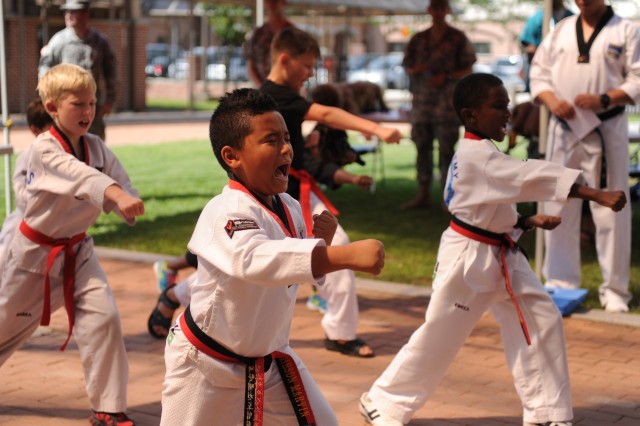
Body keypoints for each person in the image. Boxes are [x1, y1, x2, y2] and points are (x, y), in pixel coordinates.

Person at [358, 73, 627, 426]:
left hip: (502, 254)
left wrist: (527, 223)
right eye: (498, 106)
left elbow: (492, 205)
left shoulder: (482, 152)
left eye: (508, 105)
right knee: (441, 334)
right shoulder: (478, 157)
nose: (507, 113)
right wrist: (596, 194)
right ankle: (382, 401)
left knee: (542, 320)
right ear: (470, 116)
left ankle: (546, 411)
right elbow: (530, 174)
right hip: (468, 260)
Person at [160, 88, 385, 425]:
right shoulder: (227, 211)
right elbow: (257, 259)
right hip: (205, 366)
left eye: (287, 138)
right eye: (271, 140)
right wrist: (342, 256)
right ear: (232, 156)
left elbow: (285, 269)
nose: (286, 148)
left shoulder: (289, 206)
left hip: (270, 359)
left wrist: (317, 243)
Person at [0, 63, 144, 426]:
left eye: (92, 103)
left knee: (104, 318)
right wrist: (113, 194)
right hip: (33, 258)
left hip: (78, 251)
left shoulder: (95, 146)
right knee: (4, 328)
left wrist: (128, 200)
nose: (88, 111)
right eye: (77, 104)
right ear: (52, 108)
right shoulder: (43, 151)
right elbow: (81, 177)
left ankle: (108, 407)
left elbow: (121, 182)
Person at [260, 27, 401, 358]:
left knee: (334, 245)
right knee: (245, 271)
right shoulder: (274, 98)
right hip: (273, 198)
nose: (310, 74)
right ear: (285, 60)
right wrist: (377, 129)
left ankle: (339, 332)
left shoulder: (283, 102)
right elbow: (325, 112)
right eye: (306, 66)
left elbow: (306, 159)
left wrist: (347, 177)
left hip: (296, 194)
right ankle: (176, 298)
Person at [529, 0, 639, 313]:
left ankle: (615, 291)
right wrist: (551, 101)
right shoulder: (562, 29)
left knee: (612, 207)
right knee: (557, 201)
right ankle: (561, 284)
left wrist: (605, 98)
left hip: (605, 128)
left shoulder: (626, 30)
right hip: (564, 128)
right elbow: (539, 73)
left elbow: (638, 77)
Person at [401, 0, 476, 210]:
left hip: (447, 105)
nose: (439, 12)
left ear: (447, 10)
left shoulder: (457, 38)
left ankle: (448, 196)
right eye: (436, 8)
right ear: (430, 10)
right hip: (422, 104)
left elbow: (469, 67)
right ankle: (423, 194)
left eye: (443, 8)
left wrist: (448, 76)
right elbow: (407, 65)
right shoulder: (419, 39)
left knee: (446, 150)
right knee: (422, 148)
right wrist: (418, 69)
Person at [39, 0, 117, 140]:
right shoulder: (58, 41)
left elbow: (111, 72)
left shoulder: (100, 41)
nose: (68, 15)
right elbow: (45, 71)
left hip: (93, 109)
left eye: (74, 11)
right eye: (67, 11)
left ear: (86, 14)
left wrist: (110, 101)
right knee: (69, 149)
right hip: (68, 110)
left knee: (96, 152)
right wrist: (49, 99)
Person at [0, 99, 53, 273]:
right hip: (22, 226)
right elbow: (22, 194)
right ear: (35, 130)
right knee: (6, 269)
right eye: (50, 128)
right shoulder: (27, 157)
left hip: (48, 228)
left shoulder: (62, 154)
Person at [520, 0, 573, 92]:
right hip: (543, 66)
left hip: (565, 66)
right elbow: (528, 43)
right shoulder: (538, 18)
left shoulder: (571, 17)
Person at [243, 0, 295, 87]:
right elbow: (251, 65)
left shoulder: (293, 33)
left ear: (284, 2)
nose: (272, 3)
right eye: (269, 1)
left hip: (286, 90)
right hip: (263, 90)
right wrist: (263, 89)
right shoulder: (258, 34)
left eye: (275, 1)